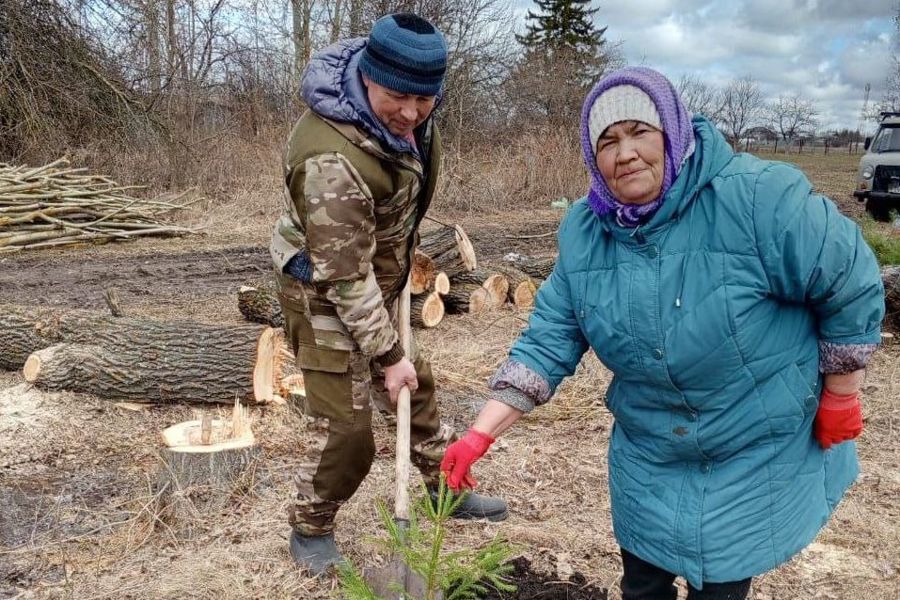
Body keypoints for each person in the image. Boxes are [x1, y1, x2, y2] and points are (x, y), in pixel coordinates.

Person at [441, 66, 885, 599]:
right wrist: (478, 433)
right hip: (651, 449)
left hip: (749, 439)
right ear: (592, 157)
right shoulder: (586, 233)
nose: (624, 152)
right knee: (643, 585)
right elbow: (549, 336)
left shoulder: (756, 199)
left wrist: (842, 393)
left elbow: (849, 279)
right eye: (607, 141)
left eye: (639, 132)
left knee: (718, 588)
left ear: (673, 134)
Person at [270, 13, 507, 575]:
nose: (410, 112)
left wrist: (399, 348)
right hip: (324, 284)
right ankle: (310, 525)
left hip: (375, 270)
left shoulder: (411, 122)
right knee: (349, 430)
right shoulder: (329, 157)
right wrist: (386, 354)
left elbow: (401, 201)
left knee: (414, 388)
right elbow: (344, 278)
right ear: (367, 77)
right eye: (397, 96)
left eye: (423, 100)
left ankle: (442, 488)